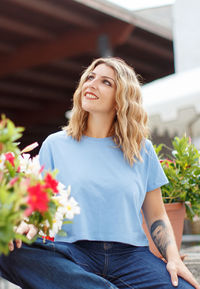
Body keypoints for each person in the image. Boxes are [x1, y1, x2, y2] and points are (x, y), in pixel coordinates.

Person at [0, 57, 199, 289]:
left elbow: (157, 215)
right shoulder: (56, 144)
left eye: (106, 82)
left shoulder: (141, 149)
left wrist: (173, 259)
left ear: (121, 100)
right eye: (90, 78)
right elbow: (40, 205)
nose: (91, 84)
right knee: (5, 248)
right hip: (71, 253)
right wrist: (26, 223)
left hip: (131, 258)